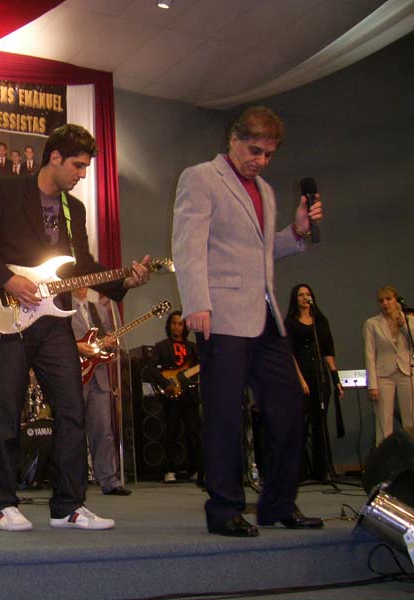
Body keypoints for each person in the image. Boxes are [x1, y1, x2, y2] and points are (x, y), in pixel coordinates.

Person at [0, 123, 151, 531]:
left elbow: (81, 267)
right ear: (55, 157)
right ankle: (2, 504)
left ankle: (68, 506)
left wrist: (123, 281)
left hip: (54, 322)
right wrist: (7, 280)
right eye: (78, 165)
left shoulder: (73, 209)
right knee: (6, 411)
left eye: (86, 168)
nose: (82, 174)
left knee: (72, 408)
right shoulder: (8, 190)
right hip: (7, 317)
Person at [172, 106, 324, 537]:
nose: (261, 160)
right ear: (233, 140)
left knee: (288, 407)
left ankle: (278, 504)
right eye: (254, 150)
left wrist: (296, 233)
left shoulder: (267, 192)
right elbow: (188, 245)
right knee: (224, 415)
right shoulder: (201, 178)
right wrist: (196, 302)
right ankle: (223, 508)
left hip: (266, 316)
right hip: (220, 315)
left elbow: (259, 250)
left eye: (269, 154)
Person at [70, 287, 131, 496]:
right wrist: (77, 346)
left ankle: (109, 480)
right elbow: (56, 341)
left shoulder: (101, 310)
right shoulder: (63, 309)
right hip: (74, 375)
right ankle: (73, 481)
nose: (82, 285)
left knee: (103, 430)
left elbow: (110, 345)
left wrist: (111, 344)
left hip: (100, 377)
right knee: (72, 430)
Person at [284, 284, 343, 480]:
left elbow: (328, 352)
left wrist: (335, 379)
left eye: (307, 294)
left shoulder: (320, 321)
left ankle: (322, 469)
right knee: (300, 423)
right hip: (301, 372)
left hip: (320, 373)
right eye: (300, 295)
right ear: (295, 299)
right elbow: (290, 353)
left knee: (320, 422)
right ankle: (299, 470)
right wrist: (300, 379)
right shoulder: (290, 323)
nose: (304, 297)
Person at [145, 311, 201, 484]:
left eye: (180, 324)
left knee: (193, 432)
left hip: (190, 394)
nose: (177, 327)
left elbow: (199, 368)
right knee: (171, 432)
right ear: (169, 326)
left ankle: (196, 470)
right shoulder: (161, 346)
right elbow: (151, 368)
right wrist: (165, 384)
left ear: (185, 327)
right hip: (171, 394)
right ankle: (169, 470)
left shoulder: (193, 347)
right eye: (174, 323)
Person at [364, 285, 414, 446]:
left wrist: (404, 325)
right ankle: (384, 458)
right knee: (384, 423)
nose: (385, 303)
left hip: (406, 372)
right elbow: (370, 355)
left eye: (388, 299)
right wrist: (372, 384)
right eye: (381, 301)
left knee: (410, 419)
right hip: (383, 376)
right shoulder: (372, 324)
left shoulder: (409, 320)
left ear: (396, 300)